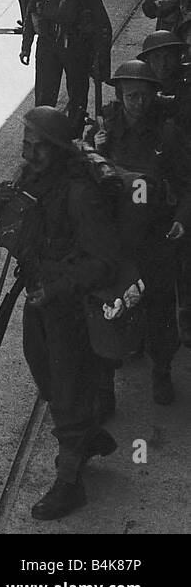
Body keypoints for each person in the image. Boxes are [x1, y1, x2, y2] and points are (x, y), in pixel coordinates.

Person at [0, 107, 120, 520]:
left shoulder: (79, 193)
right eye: (25, 143)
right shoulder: (34, 177)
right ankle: (86, 435)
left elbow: (104, 261)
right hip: (39, 294)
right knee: (43, 369)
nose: (27, 153)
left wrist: (58, 288)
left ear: (58, 150)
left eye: (37, 146)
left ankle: (69, 482)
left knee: (66, 387)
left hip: (69, 305)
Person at [91, 60, 189, 406]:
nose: (139, 102)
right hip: (117, 237)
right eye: (131, 96)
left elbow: (186, 183)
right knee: (112, 306)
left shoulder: (167, 135)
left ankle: (161, 371)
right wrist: (94, 148)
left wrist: (182, 218)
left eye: (145, 95)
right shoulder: (105, 131)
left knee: (160, 306)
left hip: (155, 235)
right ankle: (106, 384)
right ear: (120, 95)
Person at [21, 0, 111, 133]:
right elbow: (31, 13)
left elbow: (102, 24)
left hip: (75, 47)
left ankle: (74, 137)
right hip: (48, 45)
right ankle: (43, 134)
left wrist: (101, 58)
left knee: (77, 97)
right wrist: (26, 46)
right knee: (44, 95)